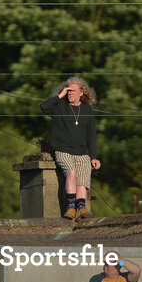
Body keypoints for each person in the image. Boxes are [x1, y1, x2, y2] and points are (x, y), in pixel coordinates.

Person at [40, 77, 100, 219]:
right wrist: (60, 95)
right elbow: (44, 107)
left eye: (73, 91)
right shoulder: (59, 105)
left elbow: (91, 135)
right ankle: (71, 207)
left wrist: (94, 156)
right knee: (71, 173)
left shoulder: (87, 110)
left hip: (82, 152)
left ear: (81, 93)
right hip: (62, 149)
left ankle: (81, 208)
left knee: (83, 179)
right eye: (68, 91)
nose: (70, 93)